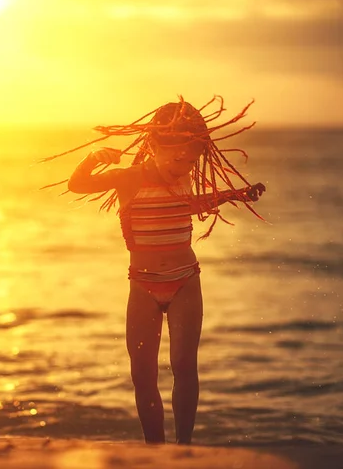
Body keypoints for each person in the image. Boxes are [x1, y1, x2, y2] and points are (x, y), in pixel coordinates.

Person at [43, 96, 266, 445]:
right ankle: (154, 449)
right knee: (143, 374)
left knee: (183, 364)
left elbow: (191, 205)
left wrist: (234, 194)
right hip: (143, 286)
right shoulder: (130, 179)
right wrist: (91, 160)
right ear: (154, 145)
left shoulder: (183, 178)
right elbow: (78, 185)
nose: (183, 166)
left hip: (185, 283)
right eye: (177, 158)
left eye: (191, 160)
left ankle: (184, 447)